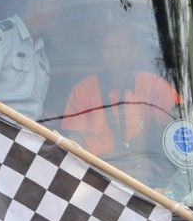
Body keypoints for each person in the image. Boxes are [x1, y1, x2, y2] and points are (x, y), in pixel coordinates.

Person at [57, 23, 181, 167]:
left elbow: (180, 118)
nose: (113, 54)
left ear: (133, 52)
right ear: (101, 52)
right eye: (108, 48)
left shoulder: (153, 84)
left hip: (139, 169)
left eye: (120, 48)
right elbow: (73, 141)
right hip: (95, 169)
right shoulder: (83, 89)